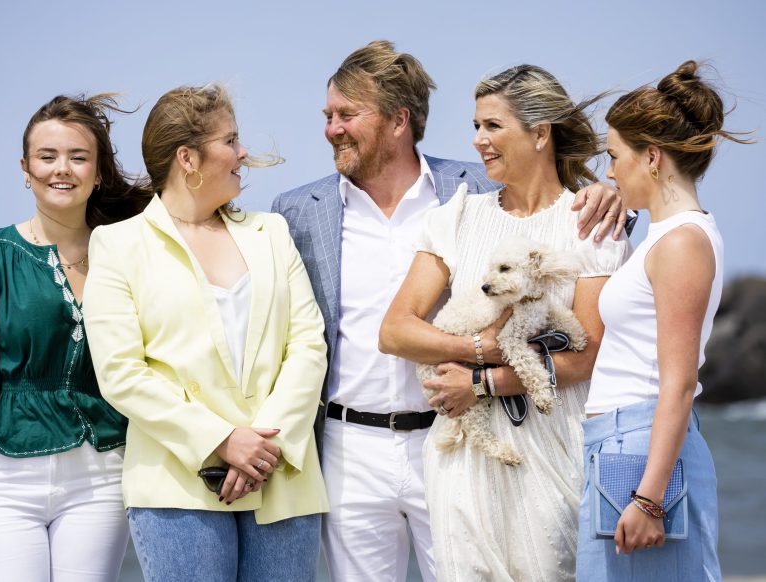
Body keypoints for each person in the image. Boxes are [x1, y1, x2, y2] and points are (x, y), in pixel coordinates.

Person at [273, 41, 626, 582]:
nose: (331, 129)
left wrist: (612, 197)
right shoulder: (297, 210)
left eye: (346, 115)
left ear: (398, 120)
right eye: (328, 116)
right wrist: (483, 350)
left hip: (463, 433)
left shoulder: (472, 191)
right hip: (352, 448)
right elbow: (353, 329)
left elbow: (576, 249)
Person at [379, 64, 632, 581]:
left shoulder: (591, 223)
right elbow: (396, 330)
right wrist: (483, 347)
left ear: (541, 133)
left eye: (493, 126)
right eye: (476, 126)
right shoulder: (457, 217)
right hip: (464, 455)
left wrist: (482, 381)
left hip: (554, 446)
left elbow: (586, 355)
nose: (478, 141)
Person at [83, 83, 329, 581]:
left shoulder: (272, 233)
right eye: (230, 140)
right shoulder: (116, 245)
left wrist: (262, 448)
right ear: (187, 158)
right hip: (177, 485)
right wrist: (221, 440)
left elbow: (308, 345)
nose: (243, 153)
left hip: (281, 475)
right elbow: (121, 373)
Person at [0, 94, 151, 581]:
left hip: (103, 474)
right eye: (47, 156)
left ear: (98, 172)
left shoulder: (126, 252)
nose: (63, 169)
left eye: (79, 157)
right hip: (7, 478)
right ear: (25, 167)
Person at [576, 61, 750, 581]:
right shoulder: (662, 237)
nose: (608, 172)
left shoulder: (681, 245)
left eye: (613, 157)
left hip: (642, 451)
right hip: (624, 447)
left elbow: (678, 384)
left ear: (652, 157)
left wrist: (650, 498)